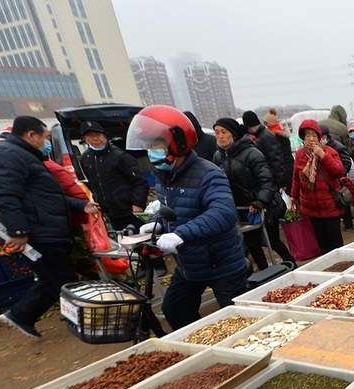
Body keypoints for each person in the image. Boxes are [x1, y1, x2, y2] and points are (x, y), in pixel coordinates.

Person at [127, 106, 250, 330]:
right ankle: (205, 349)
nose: (151, 151)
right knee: (175, 309)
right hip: (188, 265)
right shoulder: (164, 175)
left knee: (239, 322)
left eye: (155, 145)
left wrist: (179, 234)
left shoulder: (208, 174)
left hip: (221, 263)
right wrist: (156, 222)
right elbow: (172, 209)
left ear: (178, 143)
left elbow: (223, 214)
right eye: (148, 146)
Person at [0, 116, 98, 338]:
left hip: (47, 228)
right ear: (31, 135)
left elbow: (47, 197)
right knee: (64, 282)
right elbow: (4, 197)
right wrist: (18, 232)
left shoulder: (26, 156)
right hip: (39, 231)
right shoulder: (7, 155)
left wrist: (80, 205)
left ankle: (22, 315)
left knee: (53, 279)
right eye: (45, 137)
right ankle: (85, 323)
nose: (46, 142)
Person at [213, 117, 294, 269]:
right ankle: (265, 274)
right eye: (217, 133)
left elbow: (267, 181)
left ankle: (291, 264)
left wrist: (260, 201)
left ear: (234, 134)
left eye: (224, 132)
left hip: (265, 206)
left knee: (272, 240)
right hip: (241, 209)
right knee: (253, 244)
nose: (220, 136)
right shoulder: (218, 157)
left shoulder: (252, 153)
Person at [78, 121, 152, 232]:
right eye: (90, 136)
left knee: (139, 240)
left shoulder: (120, 156)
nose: (95, 138)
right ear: (85, 138)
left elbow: (140, 181)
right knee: (122, 243)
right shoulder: (85, 158)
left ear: (104, 136)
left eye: (97, 135)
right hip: (111, 214)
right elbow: (93, 184)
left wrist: (138, 203)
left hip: (130, 210)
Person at [290, 119, 346, 254]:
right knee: (322, 242)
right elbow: (296, 177)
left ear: (320, 137)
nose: (311, 139)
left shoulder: (329, 151)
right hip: (311, 206)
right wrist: (294, 196)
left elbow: (339, 171)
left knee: (335, 239)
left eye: (314, 135)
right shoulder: (300, 154)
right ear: (302, 137)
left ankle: (343, 265)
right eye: (307, 135)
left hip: (329, 204)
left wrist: (323, 155)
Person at [319, 124, 354, 231]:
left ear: (325, 136)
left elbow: (347, 161)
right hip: (327, 181)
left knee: (343, 199)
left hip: (338, 179)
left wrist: (341, 173)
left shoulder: (337, 147)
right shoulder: (321, 148)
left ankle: (348, 223)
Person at [242, 110, 289, 190]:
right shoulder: (261, 135)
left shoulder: (265, 136)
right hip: (270, 176)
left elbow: (276, 159)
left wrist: (281, 182)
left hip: (273, 178)